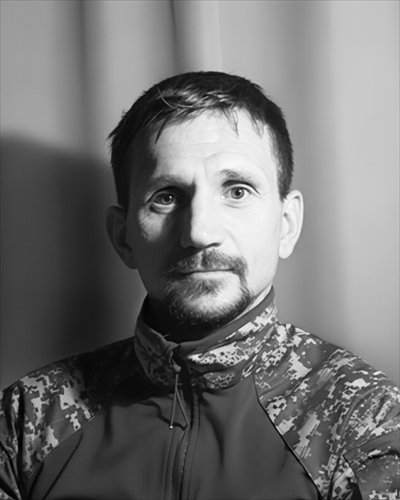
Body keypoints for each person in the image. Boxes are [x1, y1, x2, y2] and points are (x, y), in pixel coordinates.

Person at [0, 71, 399, 500]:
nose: (199, 232)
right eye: (167, 196)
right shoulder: (26, 421)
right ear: (123, 237)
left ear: (287, 225)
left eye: (237, 191)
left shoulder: (363, 417)